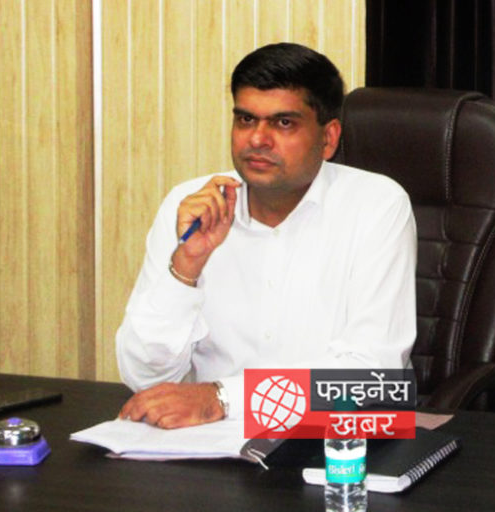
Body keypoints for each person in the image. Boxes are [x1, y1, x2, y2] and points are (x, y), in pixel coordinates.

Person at [116, 42, 417, 429]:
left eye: (283, 123)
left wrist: (223, 398)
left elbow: (373, 375)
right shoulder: (191, 207)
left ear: (328, 139)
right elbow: (143, 378)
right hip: (206, 440)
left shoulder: (376, 206)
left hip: (337, 436)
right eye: (245, 120)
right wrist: (186, 267)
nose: (257, 139)